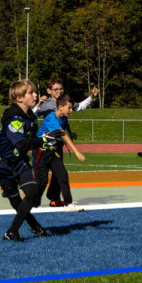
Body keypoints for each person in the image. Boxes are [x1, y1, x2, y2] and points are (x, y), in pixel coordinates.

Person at [0, 79, 48, 241]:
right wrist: (43, 141)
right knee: (16, 200)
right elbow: (22, 144)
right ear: (19, 98)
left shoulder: (31, 117)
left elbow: (31, 139)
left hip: (20, 162)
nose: (35, 95)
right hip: (3, 164)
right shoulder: (14, 118)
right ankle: (34, 226)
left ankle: (12, 231)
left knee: (32, 193)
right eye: (31, 93)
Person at [34, 78, 98, 206]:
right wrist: (36, 106)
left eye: (61, 88)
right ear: (48, 90)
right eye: (56, 89)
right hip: (43, 147)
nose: (59, 91)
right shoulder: (45, 106)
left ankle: (56, 198)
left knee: (60, 174)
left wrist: (91, 97)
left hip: (56, 145)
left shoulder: (66, 102)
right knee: (42, 178)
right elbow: (30, 117)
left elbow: (77, 108)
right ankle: (32, 197)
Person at [35, 94, 87, 213]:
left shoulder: (63, 116)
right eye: (69, 108)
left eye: (72, 108)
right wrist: (77, 152)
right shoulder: (51, 118)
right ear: (60, 107)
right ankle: (35, 204)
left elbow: (65, 124)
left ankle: (68, 204)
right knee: (42, 181)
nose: (71, 110)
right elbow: (62, 135)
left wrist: (71, 132)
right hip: (41, 151)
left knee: (63, 175)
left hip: (53, 151)